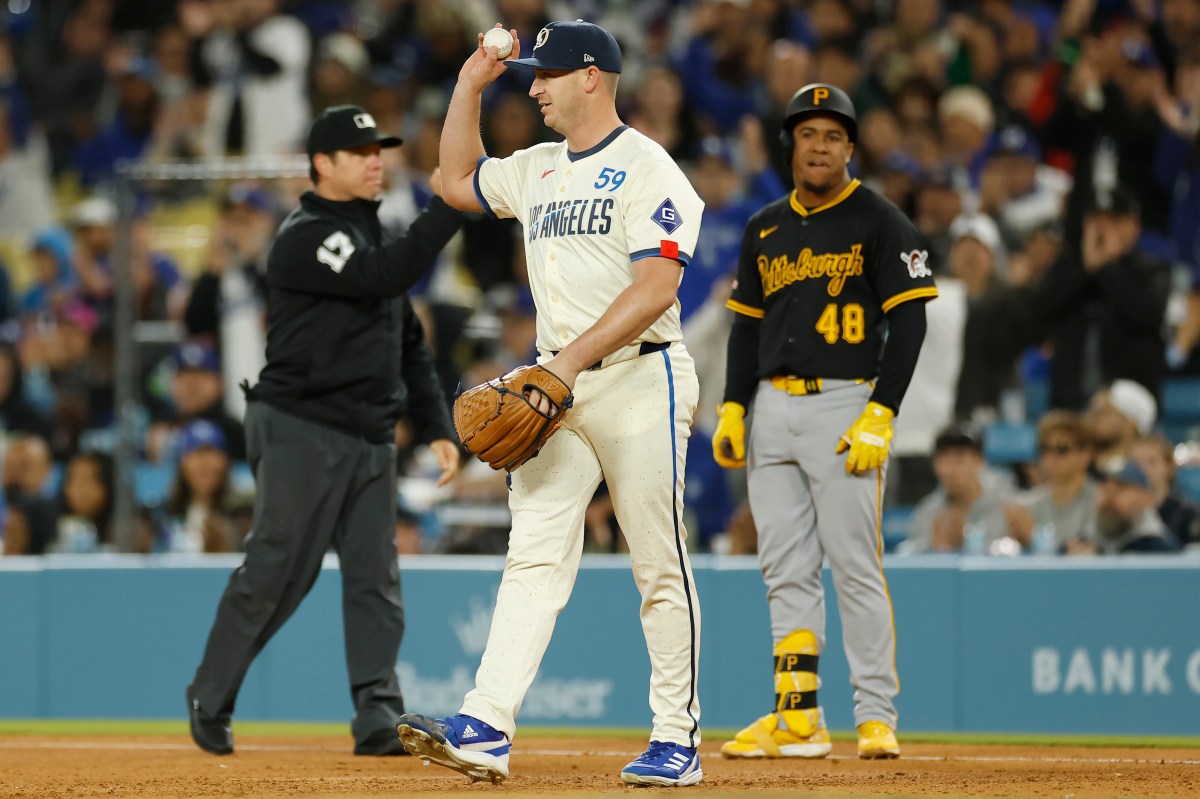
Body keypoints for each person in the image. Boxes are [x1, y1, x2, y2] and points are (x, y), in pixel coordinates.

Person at [396, 21, 705, 787]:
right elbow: (454, 181)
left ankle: (676, 736)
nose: (533, 87)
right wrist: (468, 84)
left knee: (656, 558)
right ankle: (486, 725)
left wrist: (563, 365)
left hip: (641, 375)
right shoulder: (535, 167)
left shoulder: (648, 167)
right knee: (532, 552)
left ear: (591, 76)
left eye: (547, 74)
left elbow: (657, 288)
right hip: (553, 386)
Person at [186, 104, 464, 758]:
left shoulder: (369, 238)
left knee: (376, 577)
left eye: (378, 151)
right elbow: (385, 276)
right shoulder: (308, 233)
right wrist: (449, 205)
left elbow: (409, 341)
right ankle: (210, 692)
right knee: (280, 569)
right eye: (359, 152)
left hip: (369, 434)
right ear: (322, 163)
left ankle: (378, 714)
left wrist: (435, 425)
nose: (375, 162)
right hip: (301, 426)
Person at [712, 84, 936, 761]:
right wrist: (734, 404)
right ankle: (799, 717)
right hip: (772, 407)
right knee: (784, 568)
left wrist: (881, 411)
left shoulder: (879, 218)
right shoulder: (764, 227)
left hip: (844, 404)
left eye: (833, 136)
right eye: (809, 133)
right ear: (791, 145)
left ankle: (875, 714)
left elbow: (910, 322)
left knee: (854, 565)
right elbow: (745, 329)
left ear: (850, 149)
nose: (820, 146)